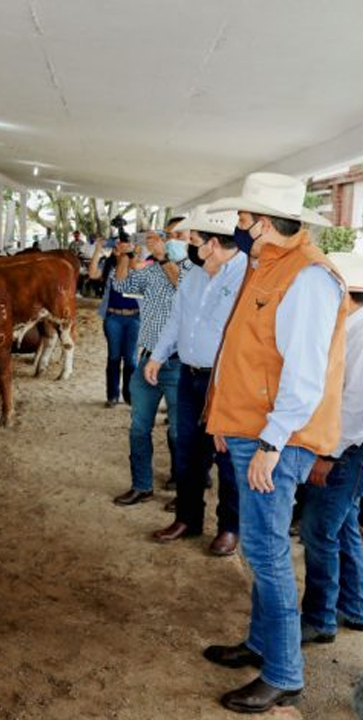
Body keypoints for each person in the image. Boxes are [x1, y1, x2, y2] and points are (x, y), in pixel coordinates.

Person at [200, 172, 344, 713]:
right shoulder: (271, 267)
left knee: (266, 552)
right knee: (263, 551)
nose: (236, 226)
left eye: (241, 218)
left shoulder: (307, 277)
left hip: (273, 438)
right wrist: (225, 421)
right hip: (251, 430)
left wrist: (271, 442)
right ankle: (261, 645)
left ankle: (284, 674)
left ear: (262, 224)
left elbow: (305, 374)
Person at [298, 253, 363, 645]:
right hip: (341, 443)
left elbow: (358, 409)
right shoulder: (348, 325)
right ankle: (356, 607)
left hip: (348, 447)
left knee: (318, 530)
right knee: (339, 525)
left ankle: (320, 617)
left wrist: (327, 455)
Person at [145, 207, 246, 556]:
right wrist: (158, 354)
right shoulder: (194, 276)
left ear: (213, 244)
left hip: (228, 384)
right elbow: (176, 319)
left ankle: (230, 528)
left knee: (228, 459)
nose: (188, 246)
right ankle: (188, 518)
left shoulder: (248, 278)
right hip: (190, 378)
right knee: (188, 452)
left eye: (193, 241)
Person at [107, 228, 185, 506]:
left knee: (178, 432)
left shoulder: (191, 271)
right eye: (148, 240)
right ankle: (142, 485)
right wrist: (124, 257)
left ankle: (182, 487)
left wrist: (164, 258)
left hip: (178, 363)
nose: (149, 243)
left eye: (154, 238)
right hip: (148, 358)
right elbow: (121, 285)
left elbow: (181, 285)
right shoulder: (150, 271)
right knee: (139, 427)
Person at [87, 235, 140, 408]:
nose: (121, 250)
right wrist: (97, 250)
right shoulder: (108, 265)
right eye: (118, 247)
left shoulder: (137, 265)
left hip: (135, 317)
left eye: (125, 247)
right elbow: (92, 273)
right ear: (114, 250)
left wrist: (132, 254)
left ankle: (130, 395)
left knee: (131, 359)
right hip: (113, 317)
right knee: (114, 357)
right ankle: (112, 395)